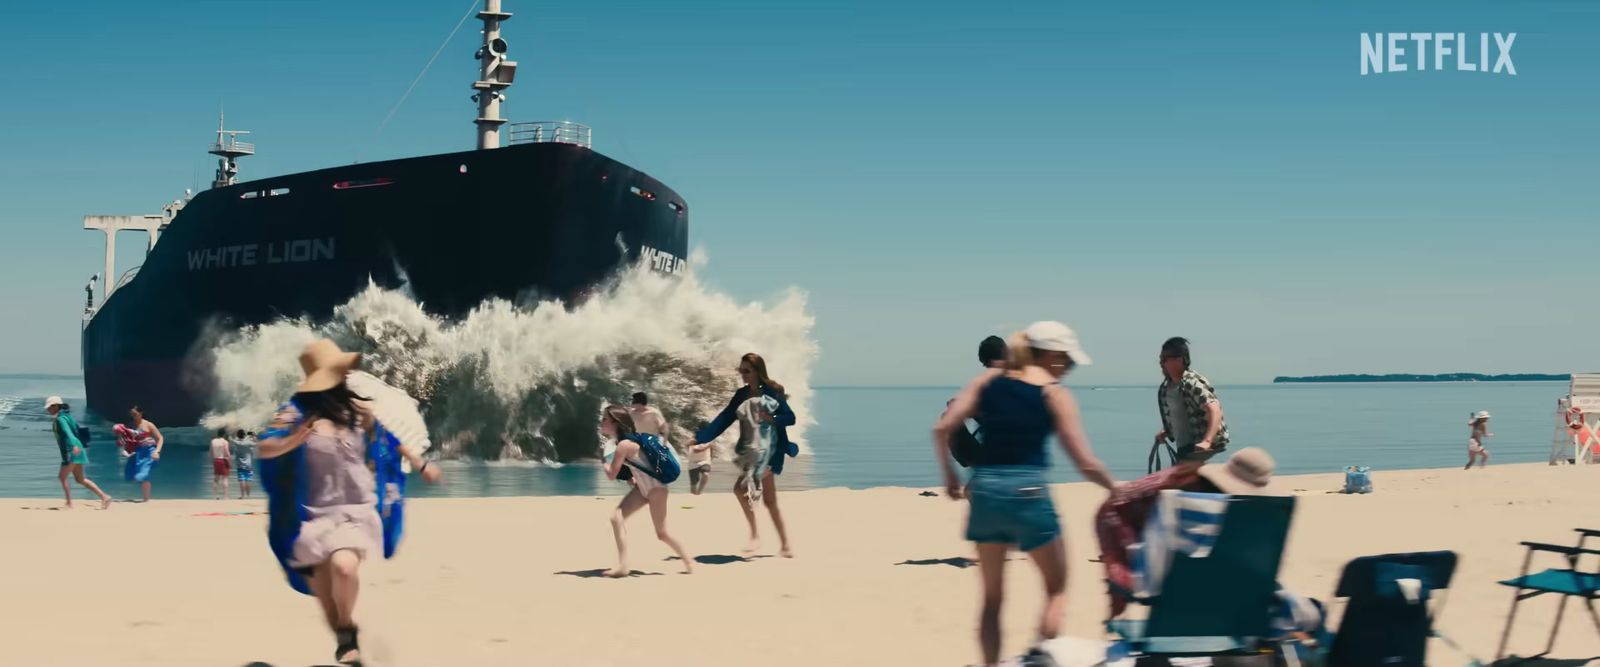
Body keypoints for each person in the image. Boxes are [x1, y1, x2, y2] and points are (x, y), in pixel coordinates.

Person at [932, 321, 1118, 667]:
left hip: (986, 492)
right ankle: (1041, 654)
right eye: (1066, 360)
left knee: (991, 601)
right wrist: (1117, 488)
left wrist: (949, 477)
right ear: (1049, 356)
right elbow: (1085, 462)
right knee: (1057, 587)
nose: (1068, 368)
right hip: (1028, 492)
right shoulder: (1052, 392)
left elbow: (942, 426)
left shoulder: (986, 382)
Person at [257, 338, 442, 665]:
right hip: (311, 514)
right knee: (326, 598)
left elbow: (389, 439)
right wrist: (293, 440)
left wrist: (420, 464)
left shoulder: (358, 411)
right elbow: (265, 448)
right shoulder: (294, 414)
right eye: (337, 372)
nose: (343, 377)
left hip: (355, 508)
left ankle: (347, 634)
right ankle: (346, 637)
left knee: (344, 569)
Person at [683, 353, 799, 557]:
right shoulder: (741, 395)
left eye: (747, 371)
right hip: (751, 450)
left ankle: (757, 536)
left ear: (757, 371)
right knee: (769, 501)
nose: (743, 374)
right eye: (741, 370)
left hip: (771, 450)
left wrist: (771, 418)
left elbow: (790, 418)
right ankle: (784, 544)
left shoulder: (773, 392)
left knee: (740, 488)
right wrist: (701, 438)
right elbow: (724, 419)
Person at [600, 404, 693, 577]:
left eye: (605, 419)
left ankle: (688, 560)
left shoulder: (624, 445)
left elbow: (611, 474)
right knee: (616, 517)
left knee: (662, 533)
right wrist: (630, 477)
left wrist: (603, 461)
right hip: (642, 488)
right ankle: (623, 566)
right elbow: (636, 466)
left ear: (616, 422)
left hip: (656, 489)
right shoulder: (625, 443)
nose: (601, 422)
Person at [1153, 337, 1230, 470]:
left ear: (1179, 359)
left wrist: (1207, 441)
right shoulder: (1168, 387)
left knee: (1183, 483)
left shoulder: (1191, 382)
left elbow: (1214, 409)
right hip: (1183, 447)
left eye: (1165, 359)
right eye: (1161, 359)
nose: (1161, 363)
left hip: (1195, 449)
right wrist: (1167, 431)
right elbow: (1182, 415)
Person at [45, 396, 112, 510]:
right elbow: (76, 430)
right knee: (80, 479)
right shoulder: (68, 416)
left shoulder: (61, 419)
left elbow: (67, 432)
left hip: (72, 450)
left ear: (56, 406)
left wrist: (74, 445)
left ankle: (68, 504)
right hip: (77, 448)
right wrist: (77, 445)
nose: (48, 410)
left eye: (49, 407)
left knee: (62, 477)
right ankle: (104, 496)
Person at [124, 406, 164, 502]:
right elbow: (127, 441)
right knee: (130, 473)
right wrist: (126, 451)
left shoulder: (148, 424)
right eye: (132, 414)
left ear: (141, 413)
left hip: (149, 451)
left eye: (135, 414)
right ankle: (145, 497)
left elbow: (160, 438)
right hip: (137, 452)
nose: (133, 416)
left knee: (143, 473)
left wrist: (157, 451)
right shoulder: (130, 425)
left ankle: (146, 499)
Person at [209, 429, 232, 499]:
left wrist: (213, 461)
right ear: (224, 434)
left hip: (216, 460)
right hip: (223, 460)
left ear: (217, 434)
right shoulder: (225, 442)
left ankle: (215, 496)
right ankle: (225, 496)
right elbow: (227, 453)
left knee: (216, 479)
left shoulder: (213, 441)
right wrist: (230, 461)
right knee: (225, 479)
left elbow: (210, 453)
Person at [233, 429, 256, 498]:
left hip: (240, 465)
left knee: (242, 480)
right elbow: (257, 444)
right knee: (248, 480)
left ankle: (242, 496)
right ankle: (248, 495)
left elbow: (233, 439)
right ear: (244, 435)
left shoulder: (237, 443)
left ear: (238, 436)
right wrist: (254, 436)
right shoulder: (248, 443)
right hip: (248, 465)